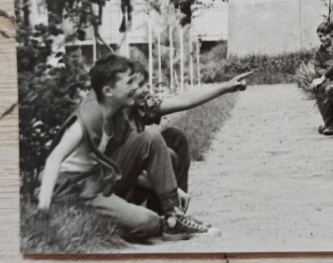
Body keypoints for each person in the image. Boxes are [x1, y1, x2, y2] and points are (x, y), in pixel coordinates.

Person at [36, 55, 213, 241]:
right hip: (72, 189)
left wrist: (172, 191)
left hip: (98, 181)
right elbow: (53, 159)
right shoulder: (89, 115)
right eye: (129, 83)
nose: (135, 88)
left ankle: (173, 218)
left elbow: (127, 163)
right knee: (149, 223)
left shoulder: (117, 114)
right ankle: (149, 222)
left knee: (151, 136)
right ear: (108, 90)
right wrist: (43, 210)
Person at [126, 61, 250, 214]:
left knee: (175, 137)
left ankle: (174, 213)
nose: (146, 89)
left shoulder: (140, 107)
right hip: (122, 186)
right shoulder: (112, 116)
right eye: (139, 85)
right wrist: (170, 188)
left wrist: (225, 87)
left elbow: (182, 100)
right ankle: (171, 213)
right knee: (167, 154)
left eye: (145, 84)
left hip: (139, 175)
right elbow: (121, 171)